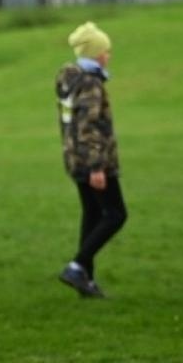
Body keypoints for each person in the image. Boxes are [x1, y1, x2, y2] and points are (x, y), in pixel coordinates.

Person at [55, 22, 127, 299]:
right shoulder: (91, 83)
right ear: (96, 52)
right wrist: (98, 167)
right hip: (93, 160)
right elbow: (89, 126)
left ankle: (86, 279)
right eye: (105, 50)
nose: (108, 54)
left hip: (74, 159)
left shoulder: (69, 78)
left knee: (93, 214)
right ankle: (77, 266)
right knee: (116, 214)